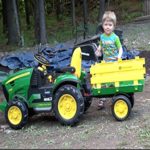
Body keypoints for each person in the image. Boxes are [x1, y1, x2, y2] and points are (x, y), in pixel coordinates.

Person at [95, 11, 123, 109]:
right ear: (102, 25)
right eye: (105, 24)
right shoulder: (102, 37)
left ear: (113, 26)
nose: (107, 27)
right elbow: (101, 46)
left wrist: (119, 56)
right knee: (103, 80)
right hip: (105, 62)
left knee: (113, 81)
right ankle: (102, 99)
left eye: (110, 25)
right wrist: (98, 51)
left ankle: (115, 99)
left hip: (114, 62)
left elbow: (120, 49)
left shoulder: (115, 38)